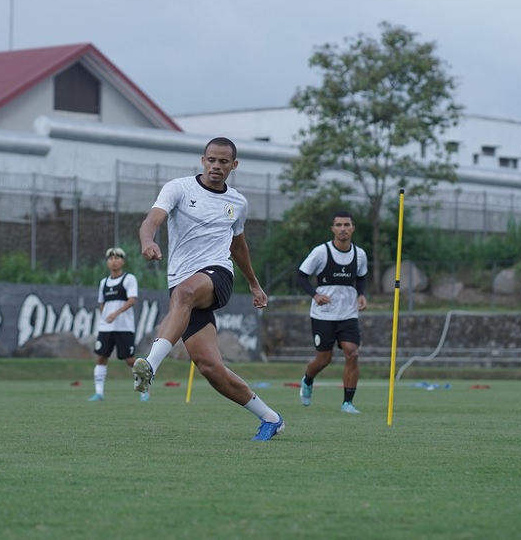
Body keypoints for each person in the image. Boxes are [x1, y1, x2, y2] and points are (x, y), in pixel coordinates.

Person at [133, 137, 284, 441]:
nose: (217, 166)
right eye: (212, 160)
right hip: (182, 285)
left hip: (217, 276)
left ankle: (150, 365)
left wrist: (254, 284)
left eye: (223, 162)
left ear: (234, 166)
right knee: (210, 367)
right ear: (203, 160)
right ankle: (271, 417)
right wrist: (147, 241)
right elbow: (152, 220)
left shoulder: (237, 202)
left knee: (185, 293)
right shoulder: (179, 188)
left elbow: (239, 246)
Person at [296, 210, 369, 413]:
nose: (343, 229)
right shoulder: (321, 252)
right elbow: (301, 276)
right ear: (333, 229)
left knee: (352, 353)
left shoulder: (360, 254)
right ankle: (308, 380)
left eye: (347, 225)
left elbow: (361, 277)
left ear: (353, 228)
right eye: (339, 225)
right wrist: (315, 295)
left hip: (348, 313)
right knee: (324, 359)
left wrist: (361, 294)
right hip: (324, 314)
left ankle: (347, 402)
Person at [89, 247, 149, 402]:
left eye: (117, 258)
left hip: (124, 326)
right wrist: (105, 316)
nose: (113, 261)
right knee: (101, 357)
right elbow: (102, 303)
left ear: (122, 261)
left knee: (129, 359)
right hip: (106, 327)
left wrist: (116, 313)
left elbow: (132, 300)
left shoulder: (129, 279)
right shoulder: (104, 282)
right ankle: (99, 393)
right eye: (110, 258)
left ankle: (144, 388)